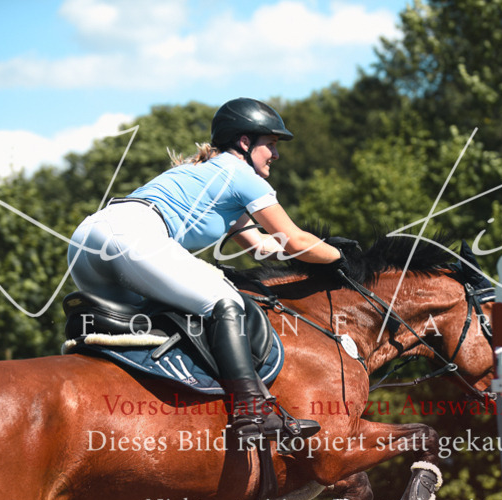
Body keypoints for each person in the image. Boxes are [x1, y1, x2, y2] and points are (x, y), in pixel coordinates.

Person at [68, 97, 349, 442]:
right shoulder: (243, 176)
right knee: (225, 302)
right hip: (132, 236)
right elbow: (294, 239)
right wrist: (340, 256)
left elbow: (262, 246)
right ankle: (252, 412)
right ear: (244, 143)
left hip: (86, 241)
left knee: (148, 325)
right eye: (271, 144)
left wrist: (315, 250)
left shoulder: (209, 174)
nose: (276, 155)